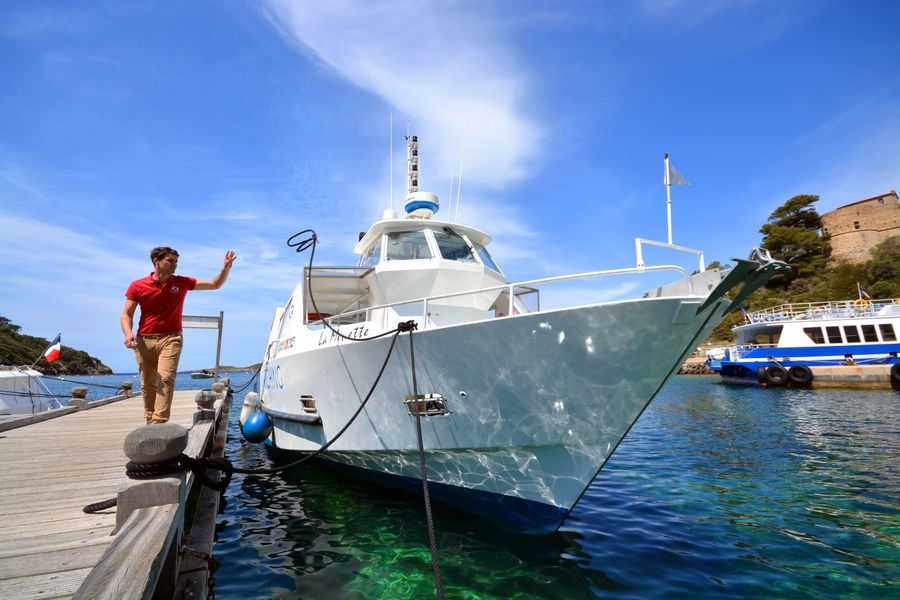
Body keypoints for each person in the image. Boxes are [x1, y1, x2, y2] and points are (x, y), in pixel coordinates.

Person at [121, 247, 236, 424]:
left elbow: (214, 284)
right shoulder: (137, 285)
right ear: (156, 261)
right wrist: (128, 334)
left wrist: (225, 268)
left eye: (176, 262)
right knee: (148, 382)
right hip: (144, 339)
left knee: (166, 378)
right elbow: (126, 314)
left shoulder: (182, 282)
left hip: (171, 338)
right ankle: (149, 419)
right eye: (170, 261)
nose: (174, 265)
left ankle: (159, 422)